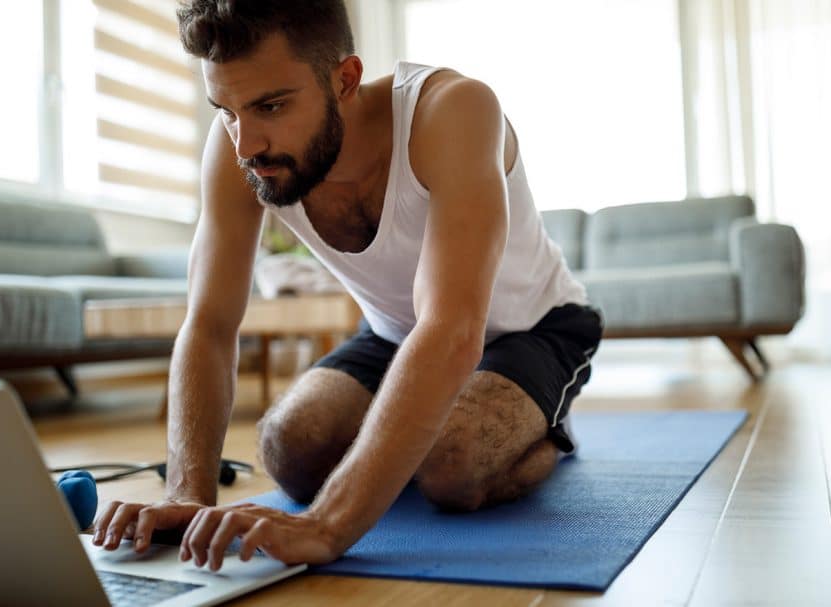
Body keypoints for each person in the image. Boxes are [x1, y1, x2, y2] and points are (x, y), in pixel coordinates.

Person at [91, 0, 603, 572]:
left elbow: (455, 331)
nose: (245, 144)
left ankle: (544, 428)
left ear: (345, 79)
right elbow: (209, 325)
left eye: (272, 105)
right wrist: (186, 495)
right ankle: (410, 441)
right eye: (227, 110)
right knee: (290, 446)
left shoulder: (453, 111)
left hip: (532, 329)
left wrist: (329, 524)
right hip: (394, 333)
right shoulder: (240, 147)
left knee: (451, 463)